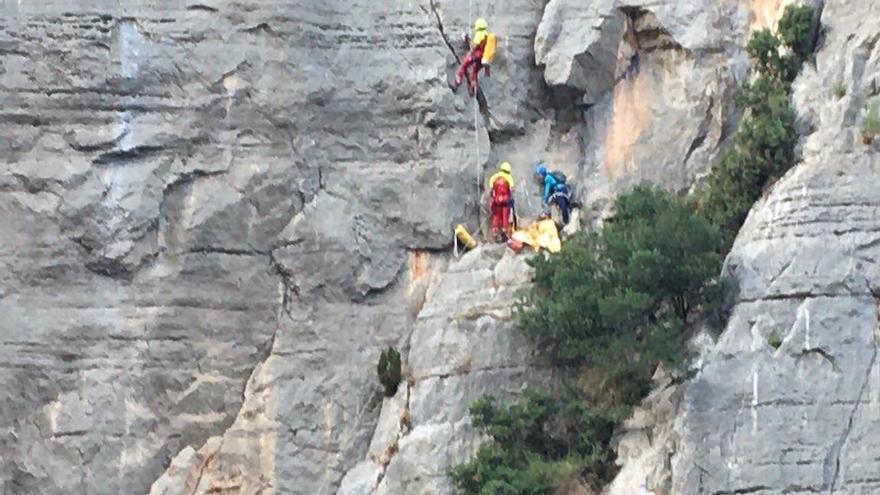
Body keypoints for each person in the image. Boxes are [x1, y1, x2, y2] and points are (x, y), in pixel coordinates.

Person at [453, 18, 496, 96]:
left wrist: (466, 39)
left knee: (464, 65)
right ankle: (472, 88)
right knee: (474, 72)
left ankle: (458, 80)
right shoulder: (486, 35)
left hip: (475, 55)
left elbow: (474, 46)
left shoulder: (479, 34)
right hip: (482, 58)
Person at [488, 161, 515, 242]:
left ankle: (495, 232)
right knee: (505, 216)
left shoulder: (495, 177)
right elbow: (512, 189)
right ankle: (504, 231)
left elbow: (491, 189)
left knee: (496, 216)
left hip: (496, 201)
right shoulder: (509, 178)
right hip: (505, 201)